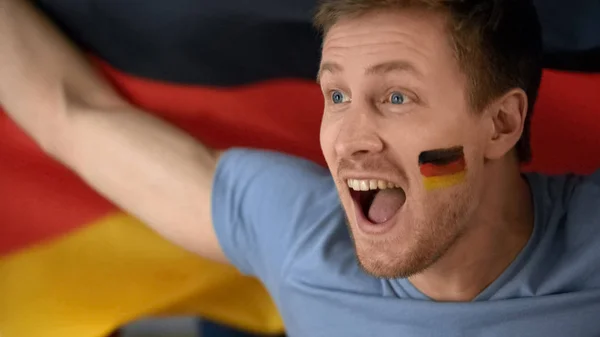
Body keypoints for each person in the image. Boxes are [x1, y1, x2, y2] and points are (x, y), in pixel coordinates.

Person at [2, 0, 600, 335]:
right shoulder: (303, 242)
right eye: (336, 96)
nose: (350, 141)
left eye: (396, 97)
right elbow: (70, 116)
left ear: (501, 124)